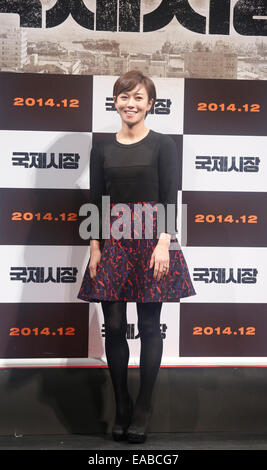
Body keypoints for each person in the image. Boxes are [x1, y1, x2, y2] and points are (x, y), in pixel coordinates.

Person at [77, 70, 196, 443]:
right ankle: (123, 404)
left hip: (151, 238)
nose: (131, 103)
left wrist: (165, 241)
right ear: (115, 101)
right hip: (112, 237)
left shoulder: (163, 144)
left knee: (149, 325)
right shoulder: (102, 148)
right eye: (124, 96)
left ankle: (144, 405)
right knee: (112, 326)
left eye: (138, 97)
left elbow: (170, 197)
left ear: (150, 104)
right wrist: (94, 247)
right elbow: (95, 200)